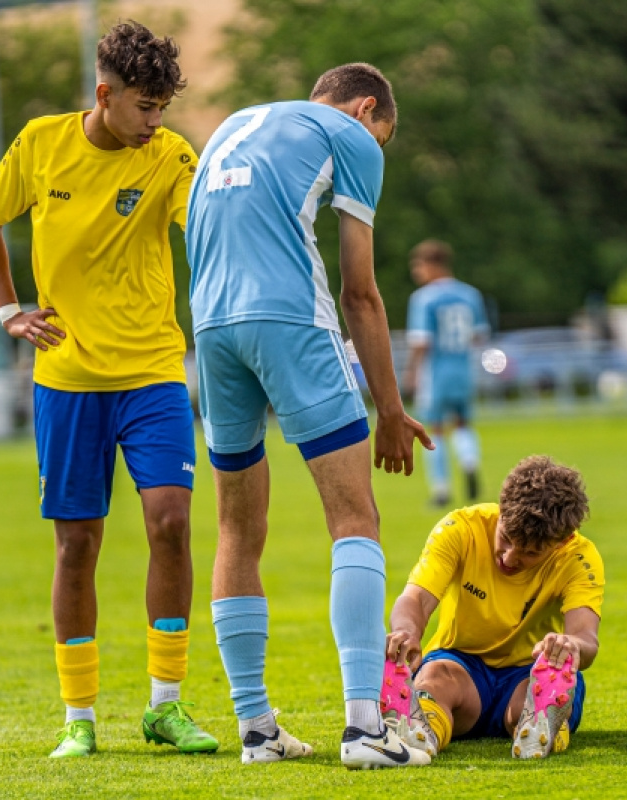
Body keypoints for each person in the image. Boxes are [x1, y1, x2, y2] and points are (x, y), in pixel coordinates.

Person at [0, 21, 218, 759]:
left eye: (164, 108)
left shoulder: (172, 156)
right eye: (145, 107)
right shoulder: (42, 143)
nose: (156, 123)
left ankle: (165, 706)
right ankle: (78, 717)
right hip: (68, 382)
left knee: (171, 522)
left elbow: (206, 227)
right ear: (105, 95)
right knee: (77, 545)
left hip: (152, 373)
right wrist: (11, 311)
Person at [186, 63, 433, 770]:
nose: (374, 154)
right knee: (355, 518)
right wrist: (389, 408)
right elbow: (360, 293)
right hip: (290, 323)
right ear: (365, 110)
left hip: (210, 332)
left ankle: (256, 730)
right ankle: (365, 728)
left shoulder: (229, 127)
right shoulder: (349, 136)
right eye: (380, 140)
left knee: (237, 526)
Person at [382, 455, 604, 760]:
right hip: (461, 664)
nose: (510, 557)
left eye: (530, 552)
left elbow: (586, 637)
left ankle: (541, 725)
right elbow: (416, 598)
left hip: (531, 669)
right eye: (506, 538)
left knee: (540, 690)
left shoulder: (579, 558)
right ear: (501, 509)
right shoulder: (460, 528)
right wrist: (406, 632)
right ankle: (420, 732)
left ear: (561, 542)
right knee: (435, 679)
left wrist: (570, 645)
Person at [403, 239, 490, 507]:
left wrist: (411, 372)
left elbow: (421, 342)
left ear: (431, 264)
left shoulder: (424, 298)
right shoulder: (471, 295)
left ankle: (441, 491)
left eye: (418, 266)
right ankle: (469, 461)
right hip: (464, 369)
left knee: (434, 430)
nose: (417, 273)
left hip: (436, 371)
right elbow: (479, 336)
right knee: (463, 424)